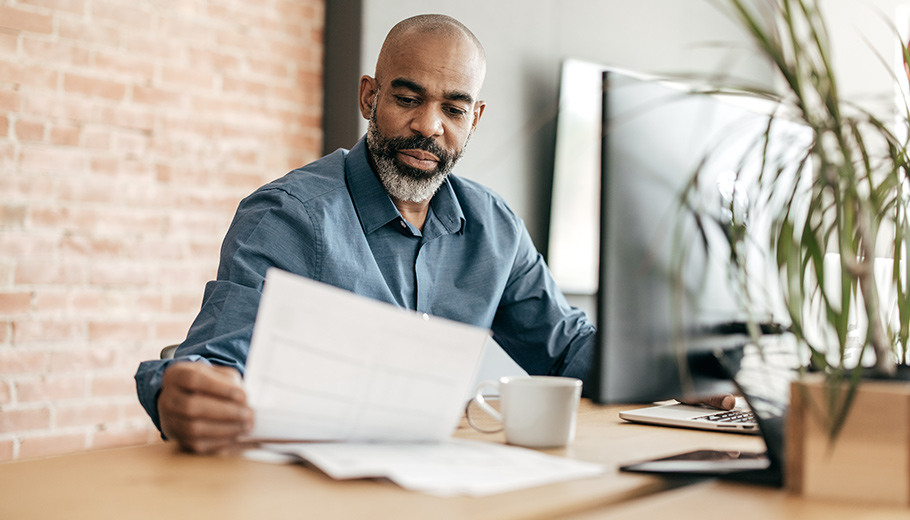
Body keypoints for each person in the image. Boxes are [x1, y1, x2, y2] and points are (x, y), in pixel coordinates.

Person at [135, 14, 730, 454]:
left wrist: (677, 371)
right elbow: (212, 360)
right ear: (369, 96)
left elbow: (567, 348)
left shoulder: (493, 226)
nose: (428, 126)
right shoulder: (290, 216)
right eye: (407, 98)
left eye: (453, 108)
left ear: (475, 118)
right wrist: (178, 393)